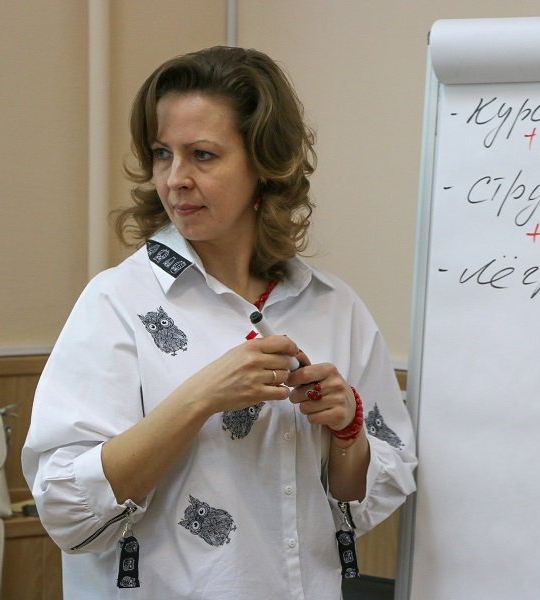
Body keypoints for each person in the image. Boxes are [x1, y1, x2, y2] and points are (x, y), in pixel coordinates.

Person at [22, 45, 417, 599]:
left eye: (202, 155)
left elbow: (357, 507)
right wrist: (200, 397)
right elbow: (67, 509)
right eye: (162, 154)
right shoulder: (115, 303)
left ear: (264, 165)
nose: (175, 179)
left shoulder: (333, 306)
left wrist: (347, 431)